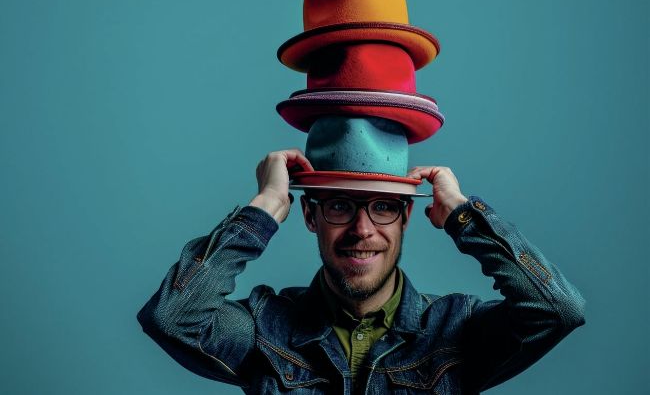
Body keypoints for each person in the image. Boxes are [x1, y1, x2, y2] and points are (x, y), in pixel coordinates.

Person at [137, 148, 586, 394]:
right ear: (309, 216)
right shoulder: (265, 327)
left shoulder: (455, 329)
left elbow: (558, 310)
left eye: (383, 207)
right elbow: (172, 317)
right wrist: (264, 208)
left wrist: (462, 215)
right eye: (340, 206)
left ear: (406, 217)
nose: (362, 229)